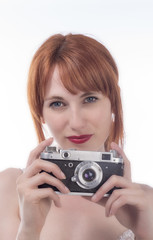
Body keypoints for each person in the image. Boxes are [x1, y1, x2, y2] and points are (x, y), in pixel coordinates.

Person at [0, 33, 153, 240]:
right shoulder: (10, 188)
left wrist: (144, 232)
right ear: (41, 113)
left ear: (113, 102)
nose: (76, 122)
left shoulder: (143, 203)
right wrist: (29, 229)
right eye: (57, 103)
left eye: (90, 99)